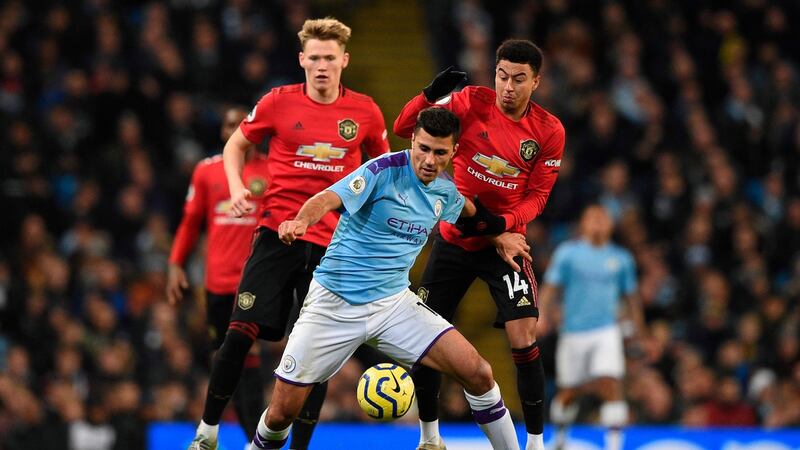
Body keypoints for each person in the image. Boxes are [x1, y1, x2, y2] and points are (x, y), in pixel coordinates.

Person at [249, 107, 520, 450]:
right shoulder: (383, 170)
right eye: (423, 148)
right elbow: (327, 197)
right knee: (281, 414)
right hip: (334, 303)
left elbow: (471, 217)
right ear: (412, 142)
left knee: (479, 372)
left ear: (453, 152)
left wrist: (500, 237)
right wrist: (302, 221)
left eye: (439, 153)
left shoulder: (446, 193)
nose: (429, 160)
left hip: (393, 305)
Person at [187, 17, 390, 450]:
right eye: (314, 58)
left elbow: (383, 171)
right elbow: (235, 145)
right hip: (276, 235)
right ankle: (207, 433)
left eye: (329, 59)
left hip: (334, 248)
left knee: (316, 355)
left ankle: (298, 447)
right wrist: (239, 187)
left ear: (344, 60)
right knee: (239, 331)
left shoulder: (366, 112)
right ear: (302, 59)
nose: (321, 66)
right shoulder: (277, 102)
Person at [393, 39, 565, 450]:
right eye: (502, 75)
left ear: (536, 81)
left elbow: (538, 197)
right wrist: (429, 95)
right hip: (455, 238)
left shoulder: (548, 131)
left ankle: (536, 442)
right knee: (423, 340)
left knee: (524, 337)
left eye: (519, 79)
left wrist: (502, 227)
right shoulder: (470, 102)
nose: (508, 86)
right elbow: (403, 130)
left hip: (506, 244)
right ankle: (430, 437)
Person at [167, 106, 270, 440]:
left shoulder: (271, 172)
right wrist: (175, 265)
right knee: (226, 363)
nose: (235, 130)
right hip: (216, 285)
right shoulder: (207, 172)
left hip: (252, 282)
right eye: (229, 125)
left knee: (246, 353)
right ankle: (251, 438)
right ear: (223, 132)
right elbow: (190, 223)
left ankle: (257, 438)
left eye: (241, 125)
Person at [539, 205, 645, 450]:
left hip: (606, 330)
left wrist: (639, 331)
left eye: (602, 218)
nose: (598, 223)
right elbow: (550, 288)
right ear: (583, 224)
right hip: (573, 332)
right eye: (592, 218)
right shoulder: (568, 254)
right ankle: (561, 436)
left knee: (610, 382)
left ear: (610, 225)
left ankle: (614, 444)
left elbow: (631, 298)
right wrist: (542, 314)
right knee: (569, 391)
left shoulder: (621, 258)